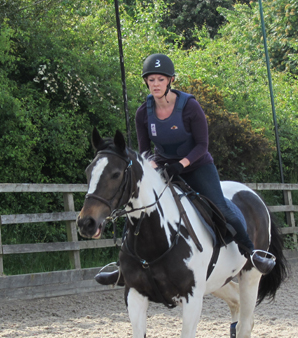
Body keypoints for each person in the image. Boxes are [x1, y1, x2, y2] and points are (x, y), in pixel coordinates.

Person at [95, 53, 274, 285]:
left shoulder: (190, 107)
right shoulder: (143, 113)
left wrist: (181, 165)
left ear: (170, 81)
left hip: (197, 165)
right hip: (164, 167)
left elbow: (202, 145)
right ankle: (123, 266)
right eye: (151, 80)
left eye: (160, 79)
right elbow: (145, 150)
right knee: (136, 205)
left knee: (219, 205)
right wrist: (152, 164)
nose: (156, 84)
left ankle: (252, 252)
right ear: (146, 82)